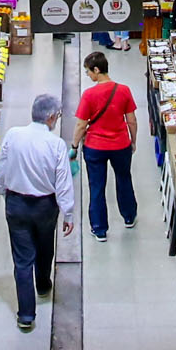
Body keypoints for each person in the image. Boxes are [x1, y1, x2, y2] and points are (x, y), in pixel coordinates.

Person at [0, 93, 74, 333]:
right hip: (45, 206)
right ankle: (42, 283)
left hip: (16, 204)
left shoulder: (13, 135)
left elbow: (1, 169)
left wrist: (4, 193)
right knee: (44, 246)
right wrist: (68, 212)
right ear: (51, 117)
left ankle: (26, 315)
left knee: (22, 260)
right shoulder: (55, 145)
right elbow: (63, 182)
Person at [75, 51, 139, 240]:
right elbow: (132, 120)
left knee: (96, 186)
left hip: (95, 147)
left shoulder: (89, 95)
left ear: (96, 69)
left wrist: (74, 145)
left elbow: (80, 124)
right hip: (120, 145)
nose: (88, 75)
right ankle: (129, 216)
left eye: (88, 71)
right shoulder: (124, 90)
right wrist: (133, 141)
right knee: (124, 179)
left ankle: (99, 228)